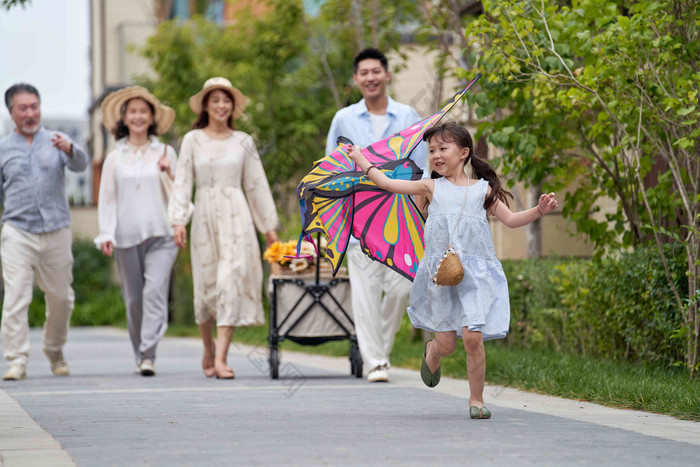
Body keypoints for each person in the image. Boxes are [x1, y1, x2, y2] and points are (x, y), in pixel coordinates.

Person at [348, 121, 558, 418]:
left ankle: (476, 400)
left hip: (475, 276)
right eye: (431, 150)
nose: (435, 155)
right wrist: (361, 159)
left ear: (463, 153)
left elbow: (510, 219)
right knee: (447, 344)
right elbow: (387, 184)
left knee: (473, 337)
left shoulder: (483, 190)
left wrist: (539, 211)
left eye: (442, 148)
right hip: (442, 276)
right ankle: (433, 351)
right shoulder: (430, 186)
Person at [325, 48, 427, 383]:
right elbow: (333, 169)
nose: (370, 77)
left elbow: (423, 166)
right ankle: (376, 362)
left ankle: (377, 348)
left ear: (386, 74)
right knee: (366, 294)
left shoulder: (408, 114)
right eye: (363, 73)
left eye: (376, 71)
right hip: (360, 219)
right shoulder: (344, 119)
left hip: (403, 219)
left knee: (400, 289)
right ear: (356, 79)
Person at [169, 77, 279, 379]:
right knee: (206, 287)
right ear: (205, 105)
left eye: (226, 100)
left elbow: (256, 184)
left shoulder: (243, 140)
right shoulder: (193, 140)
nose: (221, 105)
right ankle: (207, 349)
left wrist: (268, 228)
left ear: (233, 106)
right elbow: (182, 181)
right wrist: (179, 219)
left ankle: (221, 358)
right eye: (215, 100)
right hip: (204, 216)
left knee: (229, 280)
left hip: (236, 216)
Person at [0, 83, 89, 381]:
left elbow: (82, 165)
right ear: (11, 112)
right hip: (17, 230)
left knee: (62, 298)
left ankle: (54, 349)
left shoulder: (56, 140)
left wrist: (71, 149)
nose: (30, 113)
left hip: (56, 229)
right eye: (23, 108)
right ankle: (16, 359)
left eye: (34, 106)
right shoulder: (3, 150)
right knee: (15, 296)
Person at [94, 86, 179, 376]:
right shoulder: (114, 157)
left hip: (162, 234)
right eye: (133, 111)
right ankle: (140, 352)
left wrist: (170, 171)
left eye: (144, 111)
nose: (139, 116)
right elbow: (107, 199)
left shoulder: (166, 151)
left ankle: (148, 355)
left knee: (155, 292)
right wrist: (106, 233)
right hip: (125, 236)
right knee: (133, 300)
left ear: (152, 116)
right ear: (124, 117)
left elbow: (181, 192)